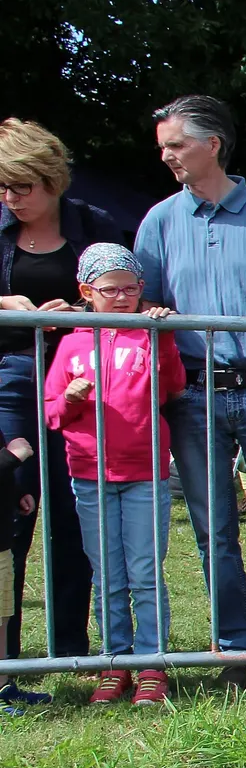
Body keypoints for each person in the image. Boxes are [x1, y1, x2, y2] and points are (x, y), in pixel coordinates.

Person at [135, 94, 246, 687]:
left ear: (212, 144)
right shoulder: (159, 221)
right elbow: (145, 308)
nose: (166, 156)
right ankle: (238, 646)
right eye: (163, 146)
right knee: (215, 528)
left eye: (175, 145)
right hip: (191, 397)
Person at [0, 117, 113, 694]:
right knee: (9, 516)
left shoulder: (92, 226)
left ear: (53, 180)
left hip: (78, 375)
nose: (11, 198)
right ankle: (7, 661)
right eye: (3, 187)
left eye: (23, 187)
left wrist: (78, 309)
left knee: (74, 514)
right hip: (12, 378)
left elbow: (125, 289)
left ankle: (71, 652)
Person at [43, 244, 184, 705]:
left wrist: (161, 335)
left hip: (144, 471)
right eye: (110, 290)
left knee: (145, 571)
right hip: (90, 475)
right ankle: (114, 660)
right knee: (106, 575)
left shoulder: (148, 330)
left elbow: (172, 386)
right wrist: (70, 399)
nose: (123, 297)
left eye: (131, 288)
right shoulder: (71, 341)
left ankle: (151, 662)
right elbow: (50, 411)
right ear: (87, 291)